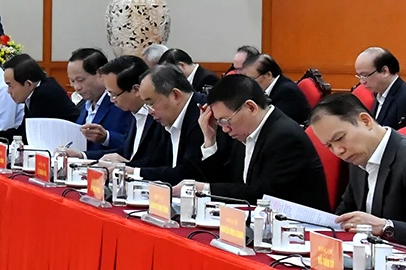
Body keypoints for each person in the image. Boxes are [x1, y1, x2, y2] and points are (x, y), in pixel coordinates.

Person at [309, 91, 406, 254]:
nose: (338, 151)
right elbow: (344, 214)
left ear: (365, 121)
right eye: (329, 146)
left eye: (340, 138)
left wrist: (384, 227)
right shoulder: (357, 158)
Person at [196, 73, 329, 210]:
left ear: (251, 108)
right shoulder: (246, 131)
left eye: (225, 120)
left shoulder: (285, 137)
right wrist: (209, 139)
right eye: (219, 122)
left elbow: (263, 196)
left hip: (300, 225)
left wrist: (206, 189)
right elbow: (229, 182)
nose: (224, 129)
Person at [100, 63, 211, 185]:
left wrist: (134, 172)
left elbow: (188, 173)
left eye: (151, 103)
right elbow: (158, 161)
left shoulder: (202, 115)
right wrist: (125, 167)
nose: (149, 112)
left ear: (175, 95)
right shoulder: (169, 115)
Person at [68, 48, 133, 158]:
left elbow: (133, 145)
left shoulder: (120, 102)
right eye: (72, 81)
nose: (77, 87)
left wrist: (106, 137)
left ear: (100, 75)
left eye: (80, 80)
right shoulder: (83, 105)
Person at [0, 55, 77, 141]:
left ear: (28, 84)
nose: (8, 91)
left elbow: (28, 137)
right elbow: (22, 131)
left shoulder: (44, 94)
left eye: (10, 86)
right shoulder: (34, 92)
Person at [98, 55, 153, 161]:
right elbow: (123, 152)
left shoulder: (158, 118)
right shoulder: (134, 112)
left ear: (136, 90)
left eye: (114, 94)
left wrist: (128, 167)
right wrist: (82, 156)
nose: (112, 100)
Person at [355, 48, 406, 129]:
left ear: (385, 71)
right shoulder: (379, 93)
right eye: (359, 76)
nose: (362, 82)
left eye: (364, 75)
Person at [243, 54, 310, 126]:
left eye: (252, 79)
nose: (249, 84)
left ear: (268, 75)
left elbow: (275, 123)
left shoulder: (287, 92)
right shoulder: (274, 87)